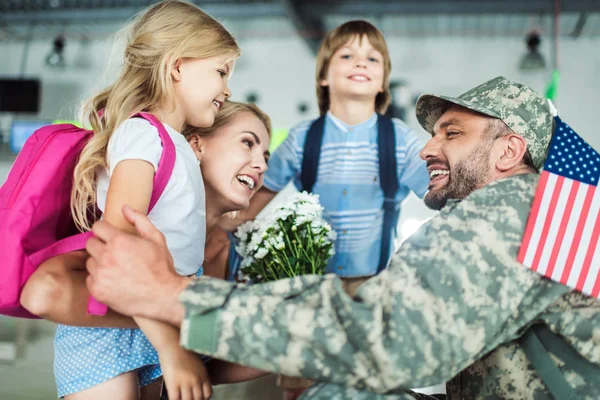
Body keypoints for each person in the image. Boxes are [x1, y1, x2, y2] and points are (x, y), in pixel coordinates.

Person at [83, 77, 600, 399]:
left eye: (452, 133)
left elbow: (396, 340)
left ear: (509, 152)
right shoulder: (539, 211)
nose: (426, 150)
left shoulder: (516, 205)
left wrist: (174, 296)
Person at [22, 100, 274, 399]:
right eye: (248, 143)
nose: (262, 165)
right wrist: (177, 325)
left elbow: (206, 366)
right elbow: (46, 291)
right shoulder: (136, 225)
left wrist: (281, 348)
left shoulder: (234, 255)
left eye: (266, 156)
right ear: (195, 144)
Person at [230, 20, 429, 294]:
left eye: (372, 58)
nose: (361, 63)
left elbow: (441, 197)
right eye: (347, 56)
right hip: (314, 286)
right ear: (324, 76)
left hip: (376, 287)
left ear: (383, 82)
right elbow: (247, 210)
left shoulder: (399, 140)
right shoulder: (302, 139)